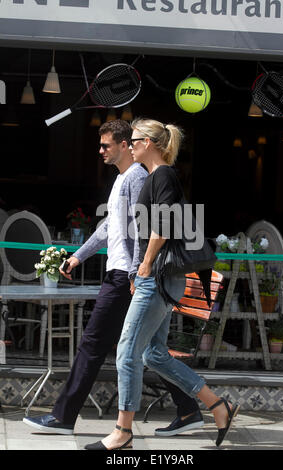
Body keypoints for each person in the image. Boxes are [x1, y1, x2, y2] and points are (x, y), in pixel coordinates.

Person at [23, 119, 203, 436]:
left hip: (125, 275)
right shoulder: (123, 179)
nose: (101, 150)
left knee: (93, 344)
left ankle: (65, 416)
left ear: (125, 145)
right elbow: (110, 228)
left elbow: (142, 229)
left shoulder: (137, 178)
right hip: (124, 272)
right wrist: (80, 255)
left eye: (107, 145)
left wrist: (136, 272)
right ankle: (190, 409)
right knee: (149, 350)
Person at [85, 118, 240, 451]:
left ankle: (122, 431)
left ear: (149, 143)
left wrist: (143, 266)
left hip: (157, 277)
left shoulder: (164, 175)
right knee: (153, 354)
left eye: (135, 139)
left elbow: (164, 227)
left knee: (127, 352)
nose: (130, 143)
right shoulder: (154, 178)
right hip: (154, 277)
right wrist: (137, 272)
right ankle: (218, 405)